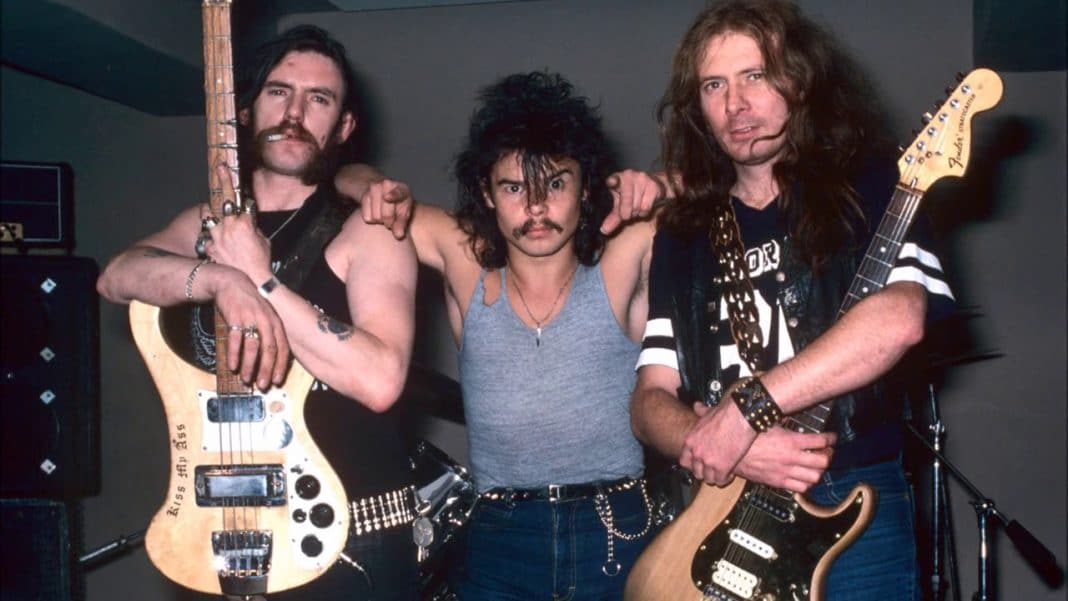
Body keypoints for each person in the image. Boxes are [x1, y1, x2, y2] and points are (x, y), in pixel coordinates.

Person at [629, 1, 956, 599]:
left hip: (854, 496)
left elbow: (900, 318)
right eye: (714, 85)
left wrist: (744, 414)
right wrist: (729, 448)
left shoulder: (873, 185)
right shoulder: (682, 233)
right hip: (723, 505)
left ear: (799, 82)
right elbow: (649, 402)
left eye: (755, 75)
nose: (735, 104)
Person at [97, 25, 420, 600]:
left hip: (349, 538)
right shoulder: (208, 226)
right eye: (278, 92)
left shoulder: (368, 232)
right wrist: (222, 279)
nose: (294, 113)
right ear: (245, 112)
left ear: (343, 127)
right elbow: (117, 275)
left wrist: (261, 280)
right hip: (224, 529)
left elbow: (380, 379)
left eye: (318, 99)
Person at [339, 71, 664, 600]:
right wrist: (372, 187)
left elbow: (725, 182)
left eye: (555, 184)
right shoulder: (467, 263)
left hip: (613, 530)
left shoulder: (620, 258)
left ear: (586, 188)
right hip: (500, 537)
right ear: (487, 194)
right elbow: (343, 174)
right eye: (514, 187)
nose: (535, 207)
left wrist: (661, 185)